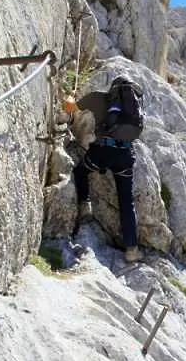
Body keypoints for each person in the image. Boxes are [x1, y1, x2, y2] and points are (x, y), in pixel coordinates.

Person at [60, 74, 144, 263]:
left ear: (111, 88)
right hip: (125, 156)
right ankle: (132, 250)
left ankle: (85, 205)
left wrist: (70, 98)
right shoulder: (133, 107)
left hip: (102, 151)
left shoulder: (98, 97)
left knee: (81, 171)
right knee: (126, 203)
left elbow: (69, 111)